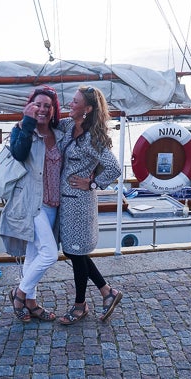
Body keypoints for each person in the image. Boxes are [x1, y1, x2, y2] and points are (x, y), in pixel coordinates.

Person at [57, 85, 123, 325]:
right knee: (72, 252)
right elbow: (47, 127)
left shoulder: (91, 139)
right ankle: (107, 291)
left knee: (76, 254)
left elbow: (114, 168)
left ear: (87, 109)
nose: (70, 104)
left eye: (75, 102)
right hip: (66, 203)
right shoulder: (68, 126)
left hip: (80, 204)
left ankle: (80, 305)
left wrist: (93, 183)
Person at [0, 85, 64, 322]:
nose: (43, 109)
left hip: (52, 203)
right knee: (49, 254)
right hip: (31, 202)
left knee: (33, 254)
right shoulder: (21, 129)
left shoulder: (60, 134)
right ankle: (19, 294)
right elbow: (19, 154)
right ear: (30, 106)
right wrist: (27, 122)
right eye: (38, 104)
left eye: (48, 106)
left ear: (53, 110)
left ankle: (31, 302)